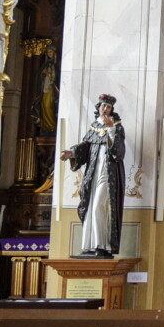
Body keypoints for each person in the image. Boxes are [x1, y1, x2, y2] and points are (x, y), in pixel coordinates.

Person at [60, 94, 126, 257]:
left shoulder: (117, 126)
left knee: (98, 206)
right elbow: (85, 147)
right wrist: (72, 152)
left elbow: (119, 151)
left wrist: (111, 129)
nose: (105, 109)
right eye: (103, 106)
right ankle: (89, 245)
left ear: (111, 110)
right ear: (98, 108)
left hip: (108, 173)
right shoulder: (94, 127)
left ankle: (101, 245)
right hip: (93, 172)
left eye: (108, 107)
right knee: (89, 206)